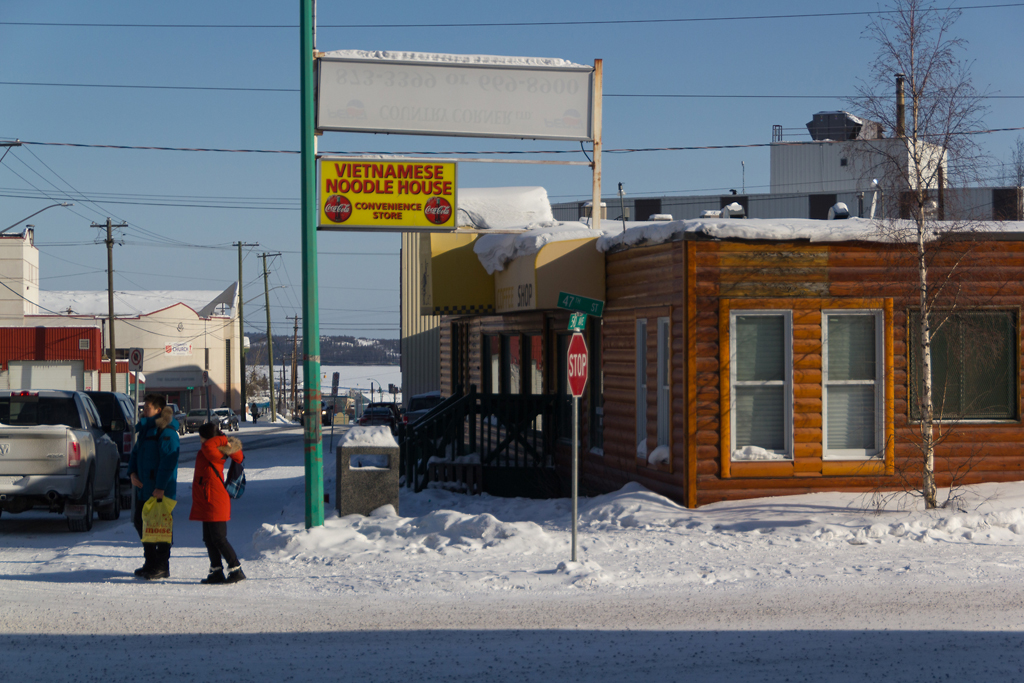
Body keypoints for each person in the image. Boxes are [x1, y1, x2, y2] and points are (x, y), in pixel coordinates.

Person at [128, 393, 180, 581]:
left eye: (147, 408)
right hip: (144, 488)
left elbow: (169, 461)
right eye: (143, 407)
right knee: (141, 522)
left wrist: (160, 487)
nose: (143, 410)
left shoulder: (166, 432)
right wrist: (132, 473)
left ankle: (162, 566)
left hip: (160, 491)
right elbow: (135, 454)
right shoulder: (145, 431)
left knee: (162, 529)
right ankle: (150, 562)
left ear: (158, 410)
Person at [191, 422, 246, 584]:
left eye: (201, 437)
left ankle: (236, 569)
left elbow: (211, 447)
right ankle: (216, 571)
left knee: (219, 538)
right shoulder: (213, 448)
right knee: (208, 539)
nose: (200, 440)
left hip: (215, 499)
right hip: (206, 499)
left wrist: (221, 439)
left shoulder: (213, 450)